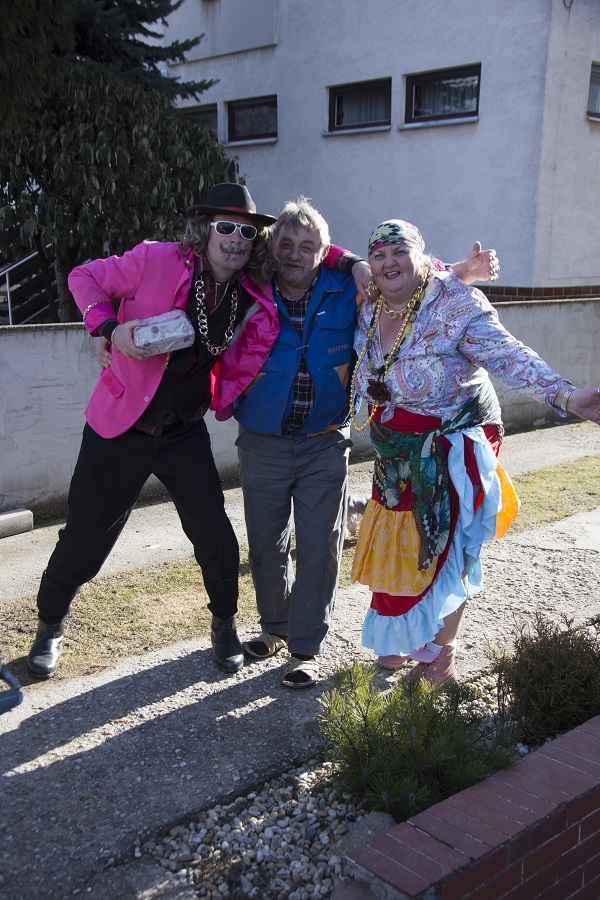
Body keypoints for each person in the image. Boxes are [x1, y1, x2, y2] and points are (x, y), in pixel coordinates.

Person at [235, 198, 500, 689]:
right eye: (286, 244)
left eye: (308, 246)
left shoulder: (347, 288)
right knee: (266, 543)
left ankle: (306, 648)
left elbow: (409, 277)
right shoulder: (250, 286)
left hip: (324, 440)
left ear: (325, 253)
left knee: (320, 544)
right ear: (273, 249)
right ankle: (274, 627)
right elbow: (395, 269)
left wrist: (458, 271)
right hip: (262, 439)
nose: (295, 254)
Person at [26, 183, 280, 679]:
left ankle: (223, 623)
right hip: (120, 426)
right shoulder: (155, 259)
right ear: (205, 229)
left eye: (247, 231)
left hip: (183, 430)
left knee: (215, 533)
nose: (235, 238)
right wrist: (109, 329)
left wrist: (358, 266)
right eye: (225, 227)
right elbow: (83, 277)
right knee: (84, 535)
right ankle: (50, 623)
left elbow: (310, 249)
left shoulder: (251, 287)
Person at [350, 219, 600, 685]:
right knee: (398, 538)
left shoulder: (456, 304)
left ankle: (440, 656)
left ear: (421, 257)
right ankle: (401, 637)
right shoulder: (371, 302)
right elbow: (334, 258)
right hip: (395, 453)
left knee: (446, 544)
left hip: (451, 445)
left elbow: (508, 355)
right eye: (378, 255)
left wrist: (566, 395)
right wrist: (357, 267)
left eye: (399, 251)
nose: (388, 262)